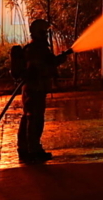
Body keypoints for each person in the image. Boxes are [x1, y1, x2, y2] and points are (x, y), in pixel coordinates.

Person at [17, 18, 72, 163]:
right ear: (39, 32)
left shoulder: (33, 48)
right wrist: (65, 56)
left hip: (31, 88)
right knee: (35, 119)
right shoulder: (37, 48)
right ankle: (33, 150)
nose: (47, 35)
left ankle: (24, 148)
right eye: (45, 32)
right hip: (36, 88)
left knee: (28, 117)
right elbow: (49, 62)